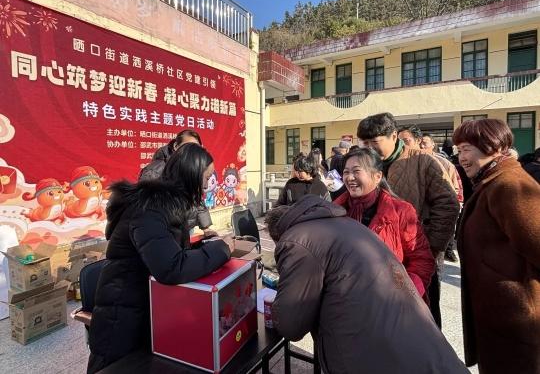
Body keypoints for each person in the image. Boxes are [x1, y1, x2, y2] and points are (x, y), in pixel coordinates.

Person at [266, 196, 468, 374]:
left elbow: (291, 325)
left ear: (280, 234)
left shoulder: (296, 240)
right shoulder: (345, 222)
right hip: (419, 343)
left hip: (370, 353)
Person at [87, 143, 234, 373]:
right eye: (206, 178)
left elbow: (170, 252)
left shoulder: (167, 206)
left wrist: (205, 246)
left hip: (147, 311)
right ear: (191, 175)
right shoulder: (149, 210)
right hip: (122, 318)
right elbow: (171, 267)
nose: (207, 186)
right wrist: (221, 250)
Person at [357, 112, 460, 328]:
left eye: (374, 142)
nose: (369, 148)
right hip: (376, 257)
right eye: (365, 143)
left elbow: (448, 205)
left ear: (394, 136)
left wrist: (430, 247)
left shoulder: (423, 161)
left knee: (423, 315)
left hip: (417, 255)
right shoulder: (365, 163)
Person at [453, 119, 540, 374]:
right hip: (501, 321)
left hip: (517, 323)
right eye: (458, 150)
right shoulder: (492, 182)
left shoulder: (509, 185)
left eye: (466, 149)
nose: (461, 158)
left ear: (494, 147)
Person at [334, 148, 434, 298]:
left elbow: (421, 259)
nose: (349, 177)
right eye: (346, 172)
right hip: (345, 299)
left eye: (356, 171)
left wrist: (404, 294)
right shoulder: (335, 211)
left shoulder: (401, 211)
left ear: (377, 176)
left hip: (389, 299)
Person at [139, 129, 215, 237]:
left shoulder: (190, 169)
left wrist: (206, 227)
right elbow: (145, 210)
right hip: (164, 231)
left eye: (196, 148)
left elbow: (197, 198)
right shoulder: (154, 172)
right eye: (188, 146)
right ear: (176, 146)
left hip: (185, 226)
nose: (192, 152)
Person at [421, 133, 463, 263]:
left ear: (433, 144)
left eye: (425, 143)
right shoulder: (408, 164)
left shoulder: (444, 164)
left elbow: (455, 191)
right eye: (420, 143)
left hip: (435, 223)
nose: (422, 146)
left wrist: (437, 242)